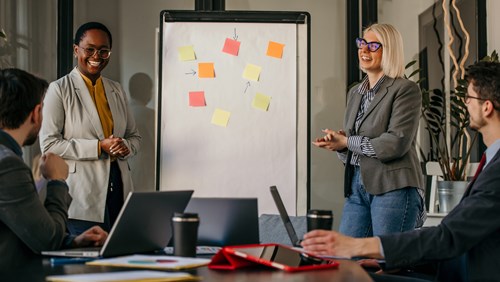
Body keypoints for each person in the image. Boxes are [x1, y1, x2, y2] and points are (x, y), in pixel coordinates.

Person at [303, 61, 500, 281]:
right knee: (350, 272)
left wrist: (356, 245)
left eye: (469, 98)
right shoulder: (492, 162)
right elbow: (455, 238)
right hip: (441, 269)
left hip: (460, 275)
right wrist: (390, 260)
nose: (464, 104)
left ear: (487, 107)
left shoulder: (497, 171)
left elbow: (449, 237)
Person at [312, 23, 424, 237]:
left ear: (389, 50)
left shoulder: (405, 89)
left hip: (394, 188)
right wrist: (340, 146)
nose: (363, 50)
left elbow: (395, 144)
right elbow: (356, 150)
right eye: (362, 43)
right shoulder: (355, 93)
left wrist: (347, 142)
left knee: (387, 262)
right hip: (356, 186)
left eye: (372, 45)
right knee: (347, 259)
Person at [39, 22, 141, 235]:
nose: (97, 55)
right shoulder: (59, 89)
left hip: (119, 189)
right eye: (90, 49)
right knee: (86, 262)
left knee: (117, 258)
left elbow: (134, 137)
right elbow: (49, 144)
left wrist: (125, 146)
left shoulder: (116, 89)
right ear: (77, 50)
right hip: (81, 195)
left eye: (104, 50)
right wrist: (98, 147)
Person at [0, 68, 107, 270]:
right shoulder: (8, 165)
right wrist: (57, 180)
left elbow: (25, 230)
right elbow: (47, 241)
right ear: (37, 113)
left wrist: (73, 241)